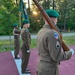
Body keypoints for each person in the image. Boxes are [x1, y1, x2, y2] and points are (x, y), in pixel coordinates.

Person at [36, 9, 74, 75]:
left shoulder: (41, 31)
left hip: (41, 66)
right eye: (56, 18)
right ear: (53, 19)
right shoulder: (52, 33)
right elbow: (56, 57)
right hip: (50, 70)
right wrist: (70, 53)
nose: (57, 20)